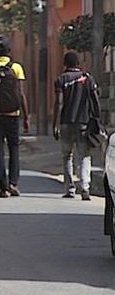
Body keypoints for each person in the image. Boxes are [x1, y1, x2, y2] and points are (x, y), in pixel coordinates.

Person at [0, 36, 29, 198]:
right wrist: (26, 116)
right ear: (10, 51)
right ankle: (13, 183)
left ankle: (3, 188)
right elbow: (20, 93)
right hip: (13, 114)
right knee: (14, 149)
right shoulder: (16, 68)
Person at [53, 51, 101, 200]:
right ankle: (85, 187)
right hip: (84, 124)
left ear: (65, 64)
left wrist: (55, 124)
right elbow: (95, 100)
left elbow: (59, 103)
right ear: (78, 64)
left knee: (67, 156)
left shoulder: (61, 79)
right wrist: (97, 119)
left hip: (66, 124)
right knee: (84, 155)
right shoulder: (88, 79)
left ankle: (70, 189)